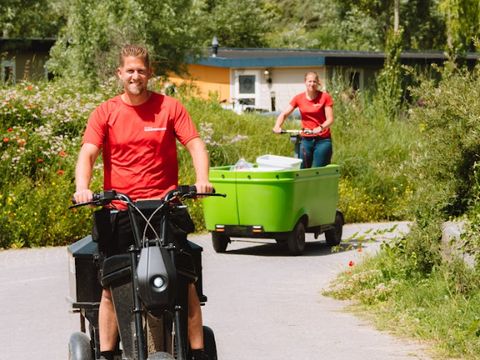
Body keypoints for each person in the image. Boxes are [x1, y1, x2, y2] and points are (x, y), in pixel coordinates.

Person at [73, 44, 212, 360]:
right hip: (121, 211)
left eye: (141, 70)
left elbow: (195, 145)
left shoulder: (170, 108)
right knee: (111, 284)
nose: (135, 75)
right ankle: (108, 354)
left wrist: (202, 179)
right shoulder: (106, 112)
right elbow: (88, 153)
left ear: (150, 73)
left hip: (165, 208)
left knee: (185, 281)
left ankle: (198, 352)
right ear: (120, 73)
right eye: (129, 70)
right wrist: (83, 187)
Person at [273, 71, 334, 168]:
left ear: (318, 83)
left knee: (318, 170)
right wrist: (277, 126)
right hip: (306, 139)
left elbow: (330, 119)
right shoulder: (298, 98)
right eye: (309, 81)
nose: (312, 84)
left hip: (322, 140)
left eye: (314, 81)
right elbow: (284, 114)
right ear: (305, 82)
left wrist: (320, 127)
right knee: (303, 170)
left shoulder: (325, 97)